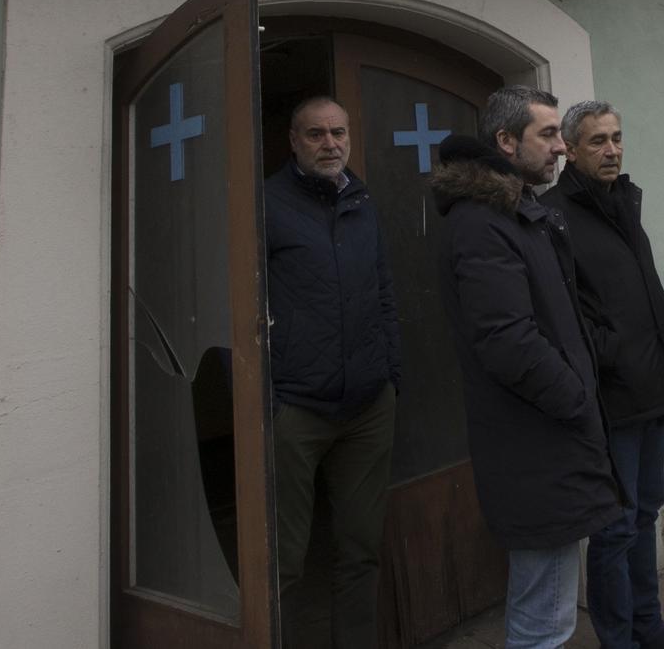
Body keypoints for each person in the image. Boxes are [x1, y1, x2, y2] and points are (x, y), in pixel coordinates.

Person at [434, 87, 623, 649]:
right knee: (544, 619)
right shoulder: (482, 223)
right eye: (548, 135)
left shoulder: (519, 213)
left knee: (549, 602)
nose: (562, 148)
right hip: (536, 440)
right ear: (505, 141)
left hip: (549, 439)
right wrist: (576, 399)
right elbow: (507, 339)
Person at [544, 102, 664, 649]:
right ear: (570, 149)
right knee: (614, 527)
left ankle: (650, 628)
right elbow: (565, 314)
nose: (611, 150)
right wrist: (613, 355)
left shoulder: (623, 202)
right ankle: (621, 640)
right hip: (611, 396)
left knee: (646, 513)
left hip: (653, 385)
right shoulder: (555, 216)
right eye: (597, 142)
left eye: (616, 138)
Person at [265, 95, 401, 649]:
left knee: (360, 550)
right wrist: (265, 398)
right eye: (316, 134)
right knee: (283, 561)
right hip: (294, 408)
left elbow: (384, 291)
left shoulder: (361, 199)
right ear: (293, 142)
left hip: (368, 407)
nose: (331, 143)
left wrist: (391, 373)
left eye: (338, 132)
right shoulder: (266, 203)